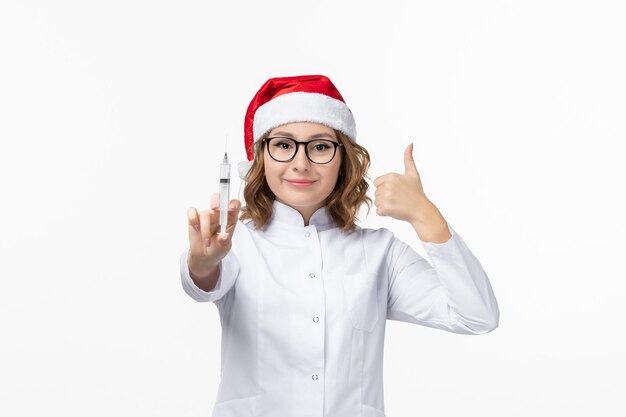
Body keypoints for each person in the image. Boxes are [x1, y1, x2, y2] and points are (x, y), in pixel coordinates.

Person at [180, 74, 499, 417]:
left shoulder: (380, 254)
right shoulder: (237, 243)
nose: (300, 163)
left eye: (319, 146)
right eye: (284, 145)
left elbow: (477, 315)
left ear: (343, 159)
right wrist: (202, 261)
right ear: (261, 157)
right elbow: (203, 282)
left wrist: (425, 216)